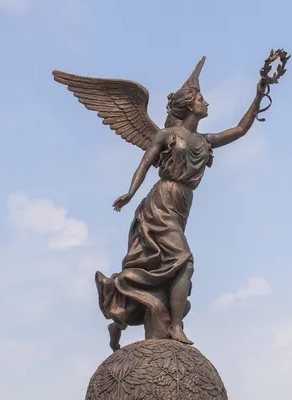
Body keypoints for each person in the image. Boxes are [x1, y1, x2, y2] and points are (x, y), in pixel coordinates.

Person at [94, 57, 268, 351]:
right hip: (160, 201)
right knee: (183, 260)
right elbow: (146, 163)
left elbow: (240, 130)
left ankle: (122, 315)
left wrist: (259, 94)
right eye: (200, 98)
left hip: (182, 203)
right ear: (189, 105)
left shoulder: (204, 140)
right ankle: (174, 325)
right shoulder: (167, 135)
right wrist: (130, 192)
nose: (205, 102)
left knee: (166, 267)